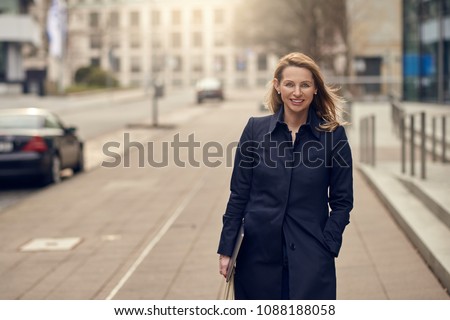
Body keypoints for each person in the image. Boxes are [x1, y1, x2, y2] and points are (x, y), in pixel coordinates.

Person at [217, 52, 353, 300]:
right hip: (256, 259)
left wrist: (327, 245)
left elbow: (343, 201)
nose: (297, 92)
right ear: (277, 86)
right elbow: (239, 194)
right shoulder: (254, 131)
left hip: (311, 258)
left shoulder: (334, 136)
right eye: (289, 84)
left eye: (305, 85)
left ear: (315, 90)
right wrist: (227, 249)